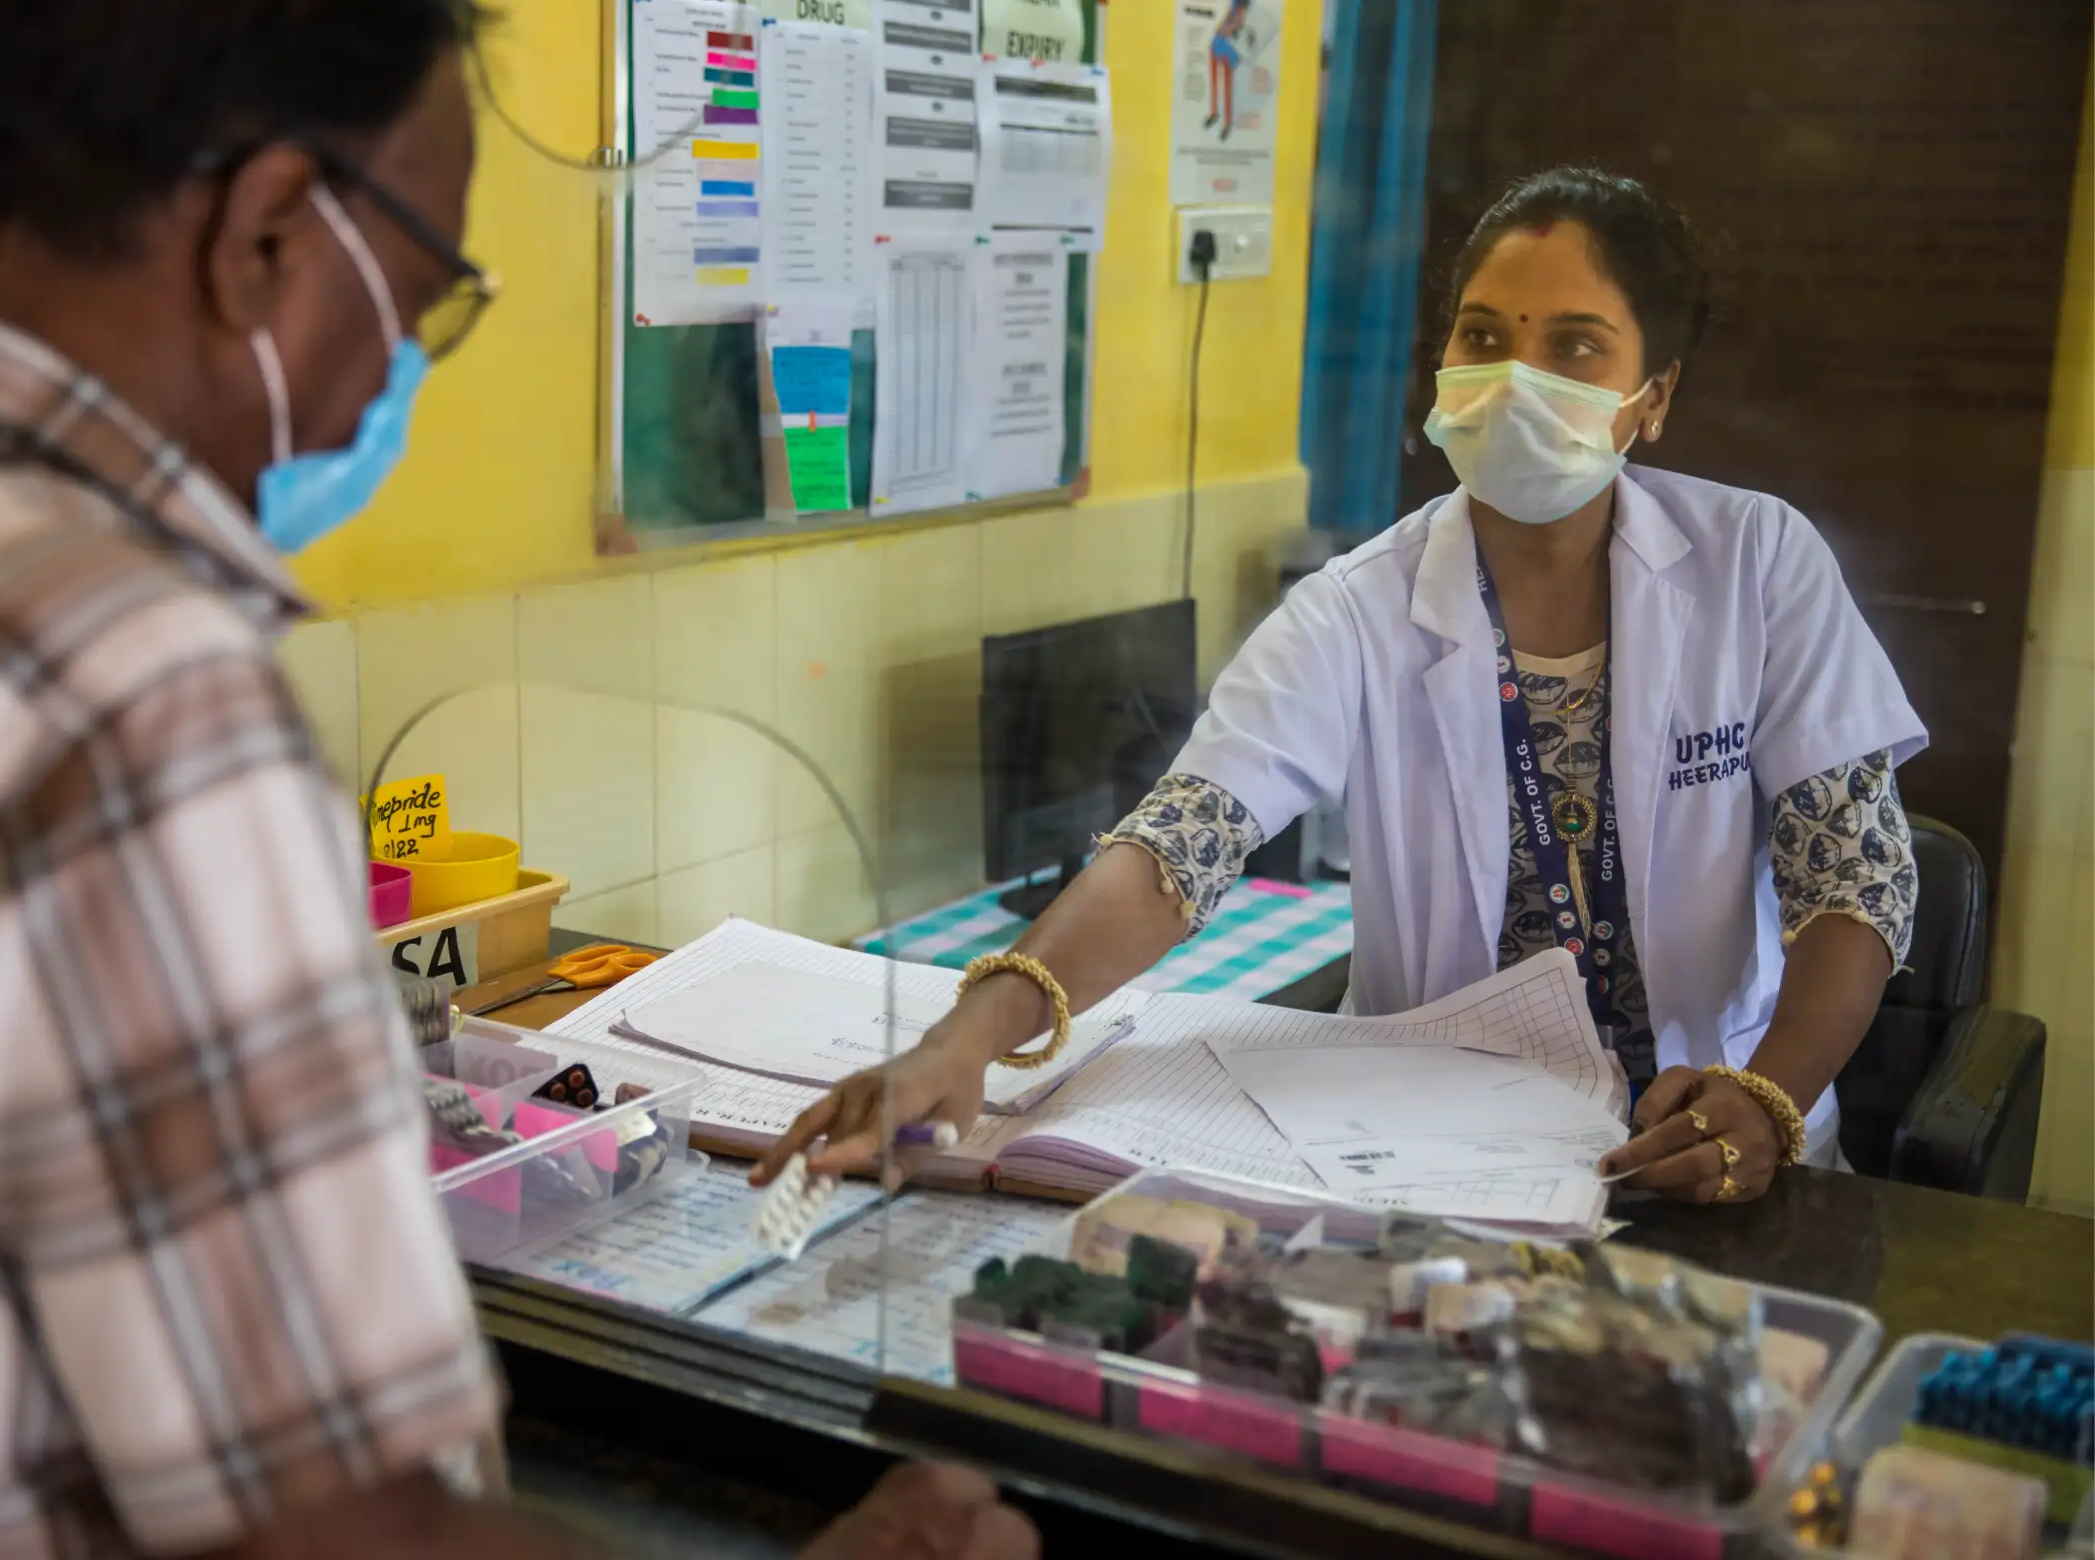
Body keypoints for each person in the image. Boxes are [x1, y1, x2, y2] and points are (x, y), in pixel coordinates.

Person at [0, 4, 1036, 1558]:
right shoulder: (128, 695)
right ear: (269, 228)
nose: (386, 395)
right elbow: (323, 1532)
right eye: (424, 308)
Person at [758, 167, 1923, 1209]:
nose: (1516, 380)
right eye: (1483, 336)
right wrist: (969, 1036)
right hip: (1432, 1161)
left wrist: (1768, 1099)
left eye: (1574, 347)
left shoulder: (1755, 564)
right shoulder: (1359, 605)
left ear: (1652, 397)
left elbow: (1854, 881)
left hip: (1710, 1150)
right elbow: (1184, 845)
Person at [1203, 0, 1254, 140]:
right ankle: (1214, 112)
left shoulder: (1244, 6)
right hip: (1222, 35)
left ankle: (1227, 122)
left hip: (1232, 40)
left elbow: (1241, 19)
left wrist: (1228, 30)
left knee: (1226, 84)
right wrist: (1220, 28)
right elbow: (1230, 13)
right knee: (1213, 62)